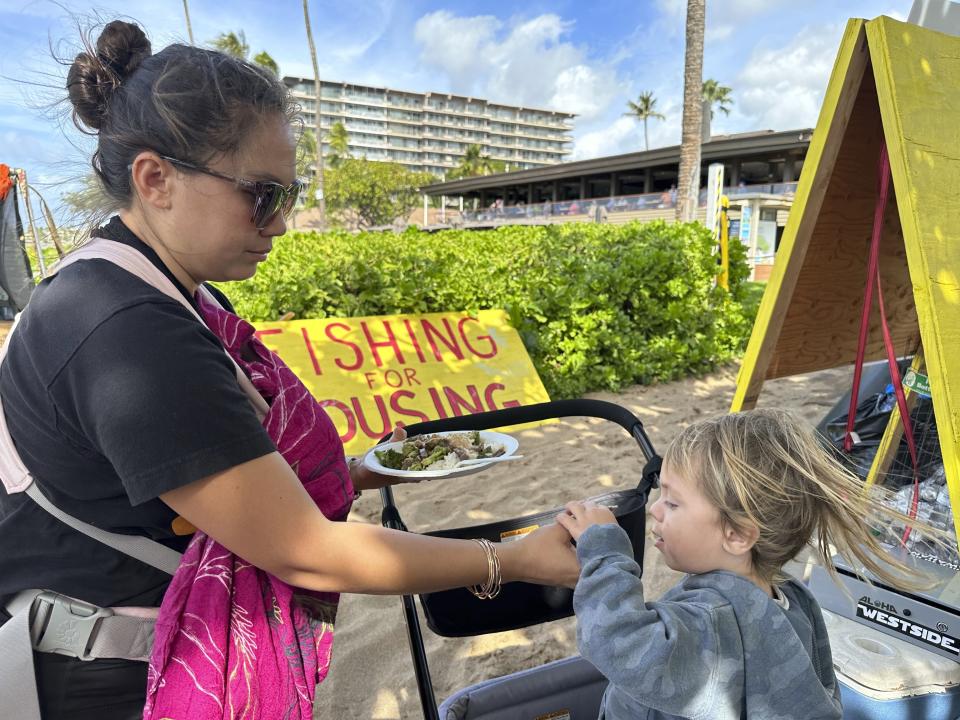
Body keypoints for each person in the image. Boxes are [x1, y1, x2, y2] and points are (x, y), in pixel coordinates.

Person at [0, 21, 578, 720]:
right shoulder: (127, 330)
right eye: (262, 194)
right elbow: (306, 553)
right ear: (156, 180)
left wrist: (363, 471)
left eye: (288, 195)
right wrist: (508, 560)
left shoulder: (150, 288)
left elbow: (191, 483)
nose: (279, 223)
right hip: (117, 680)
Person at [555, 408, 944, 720]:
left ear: (738, 536)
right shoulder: (795, 598)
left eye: (673, 503)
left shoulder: (709, 620)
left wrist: (603, 553)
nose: (656, 509)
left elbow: (616, 643)